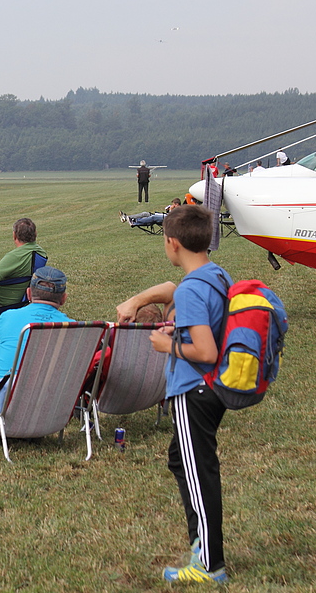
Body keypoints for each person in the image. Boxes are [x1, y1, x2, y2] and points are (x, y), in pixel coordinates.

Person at [115, 205, 232, 583]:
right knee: (182, 461)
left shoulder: (195, 289)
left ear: (172, 243)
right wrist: (166, 324)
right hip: (212, 388)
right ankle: (203, 544)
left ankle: (209, 563)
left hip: (193, 388)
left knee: (199, 473)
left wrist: (170, 348)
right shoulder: (213, 275)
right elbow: (179, 300)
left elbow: (206, 350)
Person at [0, 266, 74, 445]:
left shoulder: (8, 318)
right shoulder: (74, 329)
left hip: (7, 410)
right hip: (51, 416)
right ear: (64, 299)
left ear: (28, 293)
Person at [0, 218, 45, 308]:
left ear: (14, 235)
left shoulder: (16, 256)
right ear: (35, 233)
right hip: (16, 290)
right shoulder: (40, 252)